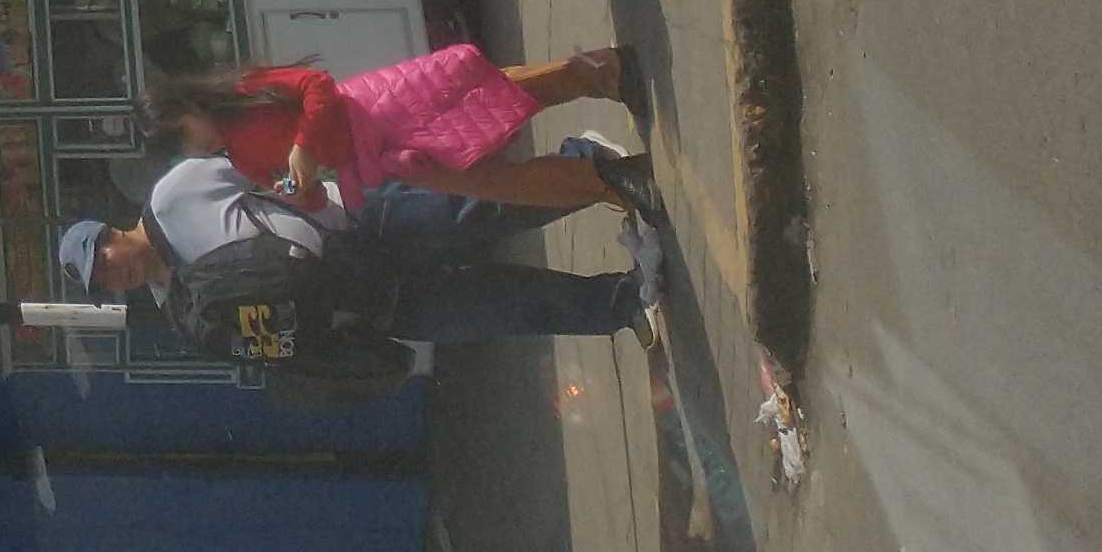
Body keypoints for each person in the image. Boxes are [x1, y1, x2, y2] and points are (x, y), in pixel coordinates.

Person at [59, 140, 659, 349]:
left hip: (363, 223)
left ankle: (593, 167)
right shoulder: (180, 311)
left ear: (110, 234)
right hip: (365, 307)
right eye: (101, 285)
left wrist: (307, 191)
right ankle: (622, 302)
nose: (112, 279)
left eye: (101, 264)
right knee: (507, 308)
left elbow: (263, 163)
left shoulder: (173, 196)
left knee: (489, 209)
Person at [146, 51, 650, 215]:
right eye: (187, 151)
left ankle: (599, 73)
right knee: (499, 182)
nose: (197, 147)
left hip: (381, 110)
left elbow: (317, 86)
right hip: (386, 160)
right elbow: (312, 198)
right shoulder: (241, 161)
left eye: (187, 133)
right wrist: (299, 193)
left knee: (497, 99)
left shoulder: (246, 90)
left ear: (189, 105)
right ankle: (610, 181)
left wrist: (303, 145)